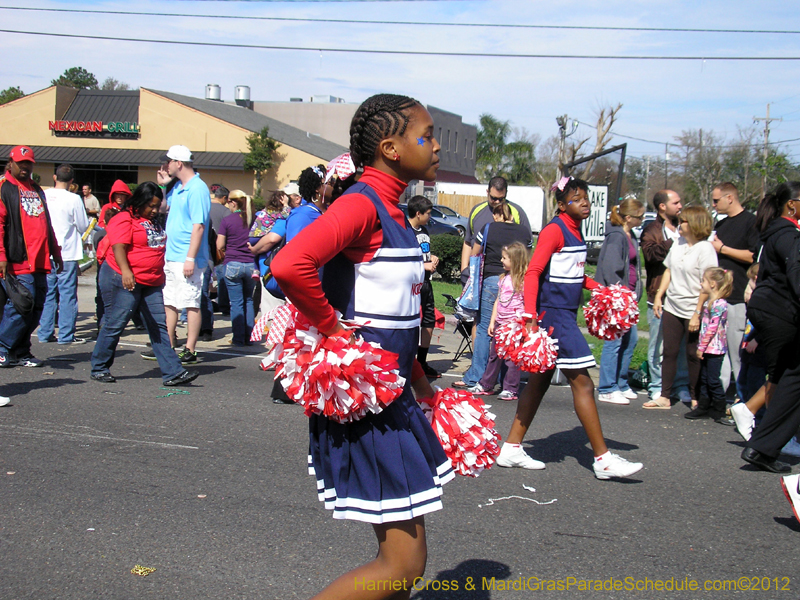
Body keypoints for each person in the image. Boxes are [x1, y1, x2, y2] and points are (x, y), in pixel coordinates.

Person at [271, 93, 454, 599]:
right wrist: (332, 329)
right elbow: (289, 265)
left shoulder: (392, 209)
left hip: (394, 397)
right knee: (402, 563)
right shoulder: (362, 204)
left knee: (406, 562)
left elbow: (395, 319)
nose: (435, 146)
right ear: (391, 148)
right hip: (365, 404)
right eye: (427, 135)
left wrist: (421, 383)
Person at [495, 176, 643, 480]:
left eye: (586, 197)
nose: (585, 202)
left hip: (564, 313)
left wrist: (597, 288)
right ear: (562, 205)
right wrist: (530, 315)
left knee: (538, 383)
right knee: (584, 384)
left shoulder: (577, 232)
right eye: (577, 198)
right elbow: (535, 271)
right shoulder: (555, 230)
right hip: (555, 317)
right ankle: (602, 459)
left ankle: (511, 447)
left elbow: (572, 275)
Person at [90, 182, 198, 386]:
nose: (155, 210)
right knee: (116, 323)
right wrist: (126, 271)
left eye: (158, 206)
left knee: (158, 325)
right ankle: (99, 366)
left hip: (151, 281)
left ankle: (173, 372)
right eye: (151, 205)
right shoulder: (124, 218)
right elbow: (118, 247)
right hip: (123, 277)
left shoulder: (154, 221)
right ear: (139, 202)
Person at [738, 182, 800, 473]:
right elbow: (796, 272)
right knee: (789, 377)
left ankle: (762, 446)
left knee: (787, 375)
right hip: (780, 312)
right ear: (792, 205)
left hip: (766, 309)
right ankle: (765, 443)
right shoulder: (789, 235)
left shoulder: (773, 232)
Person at [645, 206, 718, 409]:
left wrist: (697, 312)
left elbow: (709, 282)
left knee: (693, 353)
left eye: (683, 221)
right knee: (669, 351)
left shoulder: (706, 249)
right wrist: (660, 295)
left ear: (695, 224)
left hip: (694, 307)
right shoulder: (678, 243)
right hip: (673, 305)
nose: (679, 225)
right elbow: (668, 270)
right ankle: (664, 396)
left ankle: (695, 396)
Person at [454, 200, 532, 389]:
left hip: (491, 280)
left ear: (496, 215)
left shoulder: (488, 227)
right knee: (511, 331)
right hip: (517, 282)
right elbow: (528, 253)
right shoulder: (524, 231)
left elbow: (475, 252)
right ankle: (506, 378)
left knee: (484, 329)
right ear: (512, 215)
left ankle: (477, 376)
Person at [0, 146, 63, 368]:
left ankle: (21, 351)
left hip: (40, 259)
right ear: (11, 163)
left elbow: (47, 224)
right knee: (21, 304)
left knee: (37, 306)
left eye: (29, 163)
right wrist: (2, 255)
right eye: (21, 163)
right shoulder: (4, 187)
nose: (25, 167)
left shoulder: (37, 189)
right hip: (17, 258)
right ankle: (2, 347)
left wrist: (55, 251)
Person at [149, 145, 211, 365]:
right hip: (173, 254)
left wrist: (191, 258)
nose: (165, 166)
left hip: (186, 256)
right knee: (170, 301)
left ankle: (190, 348)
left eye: (169, 162)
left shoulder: (197, 188)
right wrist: (163, 187)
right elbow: (164, 208)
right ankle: (168, 344)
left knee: (191, 302)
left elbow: (199, 226)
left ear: (179, 163)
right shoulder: (179, 187)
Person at [641, 190, 691, 403]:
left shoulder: (685, 226)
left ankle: (680, 385)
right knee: (658, 346)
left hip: (683, 296)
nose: (680, 206)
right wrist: (673, 242)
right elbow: (651, 255)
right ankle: (656, 385)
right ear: (662, 206)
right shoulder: (652, 229)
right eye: (676, 202)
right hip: (658, 296)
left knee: (680, 346)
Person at [709, 182, 759, 398]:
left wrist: (723, 249)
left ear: (730, 198)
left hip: (739, 295)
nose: (714, 204)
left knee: (737, 350)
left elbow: (752, 256)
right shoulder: (720, 224)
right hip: (719, 296)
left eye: (716, 200)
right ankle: (720, 397)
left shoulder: (751, 222)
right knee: (720, 351)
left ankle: (743, 398)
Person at [595, 198, 645, 405]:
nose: (642, 220)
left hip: (629, 297)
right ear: (627, 217)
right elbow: (611, 268)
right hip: (617, 298)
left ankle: (621, 383)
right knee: (614, 342)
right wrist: (620, 295)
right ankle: (607, 387)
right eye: (639, 216)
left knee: (630, 340)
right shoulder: (617, 236)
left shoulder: (630, 235)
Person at [38, 163, 90, 345]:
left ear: (54, 177)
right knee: (67, 294)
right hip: (67, 252)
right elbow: (83, 225)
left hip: (46, 251)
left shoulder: (44, 195)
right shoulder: (74, 199)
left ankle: (44, 332)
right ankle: (66, 335)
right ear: (72, 181)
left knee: (48, 293)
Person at [469, 241, 528, 401]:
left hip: (514, 326)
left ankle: (510, 388)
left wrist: (525, 324)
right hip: (500, 324)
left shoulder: (522, 281)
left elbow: (527, 303)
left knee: (511, 359)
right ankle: (486, 384)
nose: (501, 261)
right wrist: (492, 321)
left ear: (515, 261)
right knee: (494, 355)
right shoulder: (502, 278)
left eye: (504, 258)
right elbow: (498, 301)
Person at [459, 176, 531, 285]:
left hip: (510, 279)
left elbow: (527, 248)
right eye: (493, 198)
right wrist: (464, 269)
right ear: (487, 192)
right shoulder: (477, 211)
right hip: (480, 277)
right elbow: (468, 242)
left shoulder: (516, 212)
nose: (497, 202)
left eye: (501, 199)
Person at [688, 267, 733, 421]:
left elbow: (712, 329)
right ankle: (703, 406)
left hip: (715, 349)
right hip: (708, 347)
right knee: (705, 378)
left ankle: (719, 408)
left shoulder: (719, 304)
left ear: (713, 284)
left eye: (704, 281)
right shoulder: (710, 302)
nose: (701, 284)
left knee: (713, 380)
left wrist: (701, 347)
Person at [407, 194, 440, 378]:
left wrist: (431, 258)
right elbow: (404, 260)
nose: (430, 217)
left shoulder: (424, 231)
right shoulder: (405, 231)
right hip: (413, 284)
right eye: (428, 213)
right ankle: (409, 361)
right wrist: (422, 264)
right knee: (412, 321)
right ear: (418, 213)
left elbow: (424, 253)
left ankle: (422, 361)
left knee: (429, 320)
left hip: (426, 282)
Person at [216, 190, 256, 346]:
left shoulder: (228, 220)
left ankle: (238, 338)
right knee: (249, 300)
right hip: (251, 264)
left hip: (233, 263)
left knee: (236, 303)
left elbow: (219, 245)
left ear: (233, 202)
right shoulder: (254, 220)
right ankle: (249, 337)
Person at [249, 190, 288, 318]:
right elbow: (272, 238)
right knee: (274, 312)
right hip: (270, 268)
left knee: (269, 310)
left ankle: (255, 270)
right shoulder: (282, 217)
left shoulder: (264, 212)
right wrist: (255, 250)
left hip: (257, 246)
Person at [200, 185, 231, 341]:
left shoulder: (205, 210)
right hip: (213, 254)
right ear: (224, 198)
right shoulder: (225, 212)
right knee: (216, 285)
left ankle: (197, 324)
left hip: (202, 255)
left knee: (197, 294)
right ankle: (207, 325)